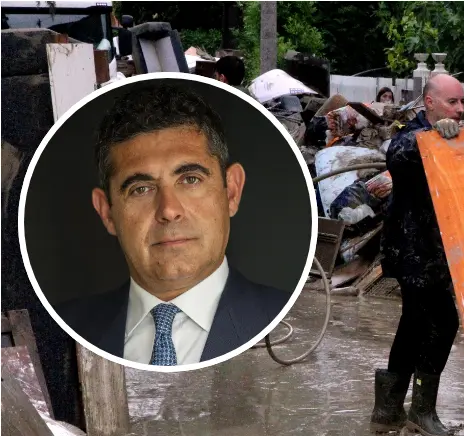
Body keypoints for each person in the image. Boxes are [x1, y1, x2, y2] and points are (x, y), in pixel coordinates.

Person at [57, 83, 290, 366]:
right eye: (141, 189)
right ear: (107, 213)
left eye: (190, 180)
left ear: (231, 192)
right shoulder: (59, 331)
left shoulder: (290, 321)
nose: (168, 210)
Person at [371, 73, 464, 436]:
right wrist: (433, 136)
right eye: (451, 103)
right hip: (414, 251)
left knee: (413, 323)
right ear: (429, 103)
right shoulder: (414, 135)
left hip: (436, 251)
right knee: (443, 322)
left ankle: (387, 410)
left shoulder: (456, 135)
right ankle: (422, 411)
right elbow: (398, 152)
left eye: (461, 103)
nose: (459, 110)